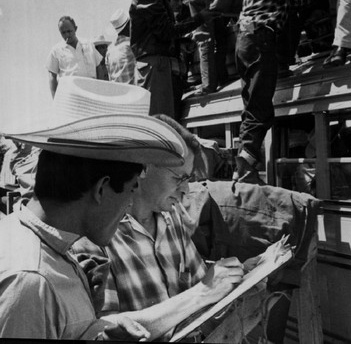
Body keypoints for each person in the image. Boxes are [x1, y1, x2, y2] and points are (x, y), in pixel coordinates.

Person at [0, 77, 204, 340]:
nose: (129, 203)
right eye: (130, 190)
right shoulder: (32, 282)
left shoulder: (49, 253)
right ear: (102, 189)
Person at [71, 114, 246, 341]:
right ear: (144, 168)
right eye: (179, 179)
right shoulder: (97, 235)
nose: (186, 190)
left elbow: (206, 292)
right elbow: (105, 332)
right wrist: (202, 292)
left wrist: (241, 279)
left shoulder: (172, 221)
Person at [235, 0, 330, 181]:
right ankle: (245, 167)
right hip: (261, 39)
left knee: (251, 107)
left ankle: (242, 162)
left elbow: (284, 0)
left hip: (244, 41)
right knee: (261, 109)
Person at [129, 0, 214, 119]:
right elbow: (167, 31)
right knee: (160, 122)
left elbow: (160, 31)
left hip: (157, 65)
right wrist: (200, 18)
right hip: (156, 66)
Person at [45, 15, 103, 97]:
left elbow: (99, 68)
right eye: (63, 33)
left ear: (75, 28)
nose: (67, 35)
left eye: (69, 31)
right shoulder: (56, 50)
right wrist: (55, 100)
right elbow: (52, 77)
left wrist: (101, 93)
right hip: (71, 97)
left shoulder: (89, 45)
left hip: (91, 93)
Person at [105, 8, 137, 84]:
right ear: (128, 25)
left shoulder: (110, 50)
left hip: (116, 90)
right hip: (131, 90)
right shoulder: (131, 46)